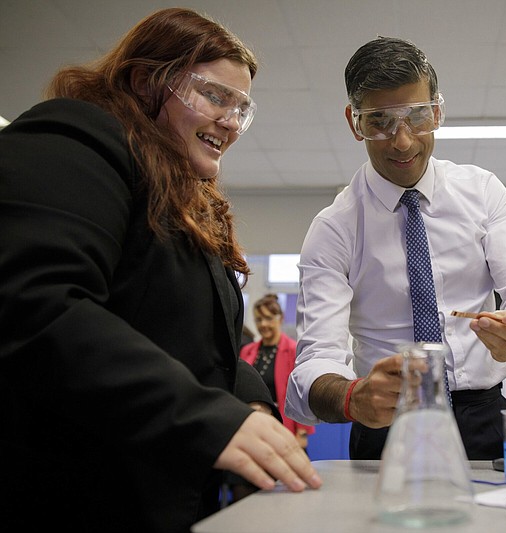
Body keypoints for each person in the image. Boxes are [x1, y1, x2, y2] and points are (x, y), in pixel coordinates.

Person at [0, 8, 320, 532]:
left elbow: (199, 344)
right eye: (215, 96)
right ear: (147, 81)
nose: (231, 122)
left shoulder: (177, 198)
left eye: (242, 108)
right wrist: (209, 420)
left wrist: (252, 406)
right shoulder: (73, 138)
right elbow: (36, 302)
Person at [285, 36, 506, 461]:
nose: (402, 141)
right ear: (354, 122)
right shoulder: (334, 228)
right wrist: (352, 397)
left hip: (485, 416)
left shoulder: (482, 191)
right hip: (385, 423)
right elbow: (315, 361)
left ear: (437, 111)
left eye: (417, 117)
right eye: (379, 120)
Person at [240, 294, 315, 450]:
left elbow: (302, 392)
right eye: (259, 319)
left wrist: (302, 431)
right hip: (254, 429)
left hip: (285, 429)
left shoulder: (294, 350)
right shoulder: (247, 352)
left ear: (280, 318)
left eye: (268, 318)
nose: (263, 324)